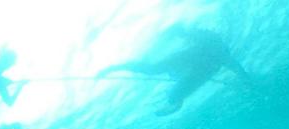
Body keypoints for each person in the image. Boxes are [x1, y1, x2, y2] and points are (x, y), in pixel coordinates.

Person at [97, 26, 252, 116]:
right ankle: (115, 68)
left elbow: (236, 66)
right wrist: (245, 80)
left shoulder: (219, 53)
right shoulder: (217, 51)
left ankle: (176, 101)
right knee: (157, 73)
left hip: (198, 67)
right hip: (193, 62)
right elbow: (236, 66)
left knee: (172, 89)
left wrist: (245, 80)